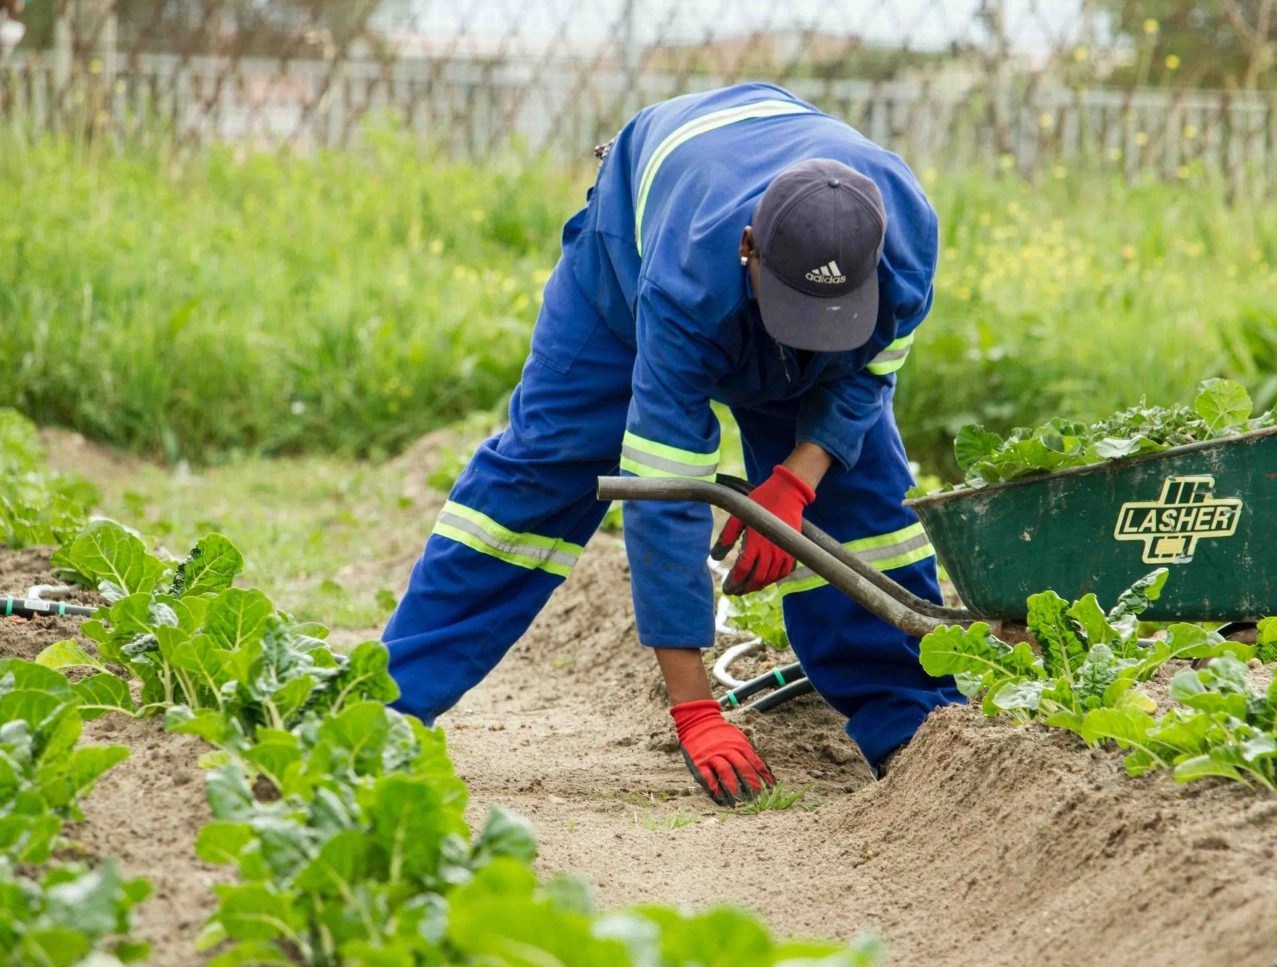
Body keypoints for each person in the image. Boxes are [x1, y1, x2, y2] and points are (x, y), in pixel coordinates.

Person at [381, 82, 962, 805]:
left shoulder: (906, 240)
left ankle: (914, 725)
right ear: (748, 251)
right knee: (544, 470)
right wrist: (694, 707)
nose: (805, 340)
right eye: (792, 315)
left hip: (779, 241)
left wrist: (798, 481)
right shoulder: (688, 279)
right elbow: (668, 494)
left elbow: (869, 372)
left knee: (858, 501)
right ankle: (389, 708)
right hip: (630, 259)